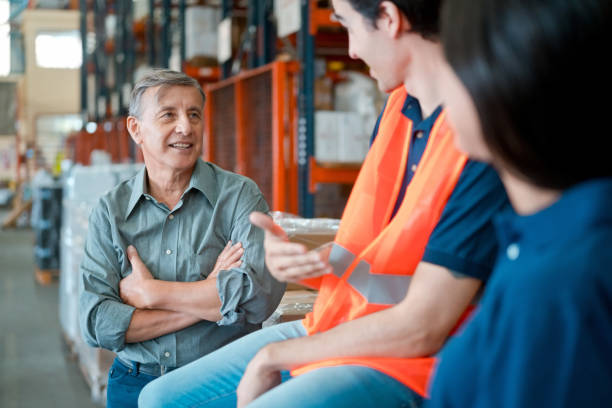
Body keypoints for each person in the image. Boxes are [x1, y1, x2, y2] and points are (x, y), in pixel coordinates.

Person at [138, 1, 510, 407]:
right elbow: (388, 254)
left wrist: (272, 356)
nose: (351, 50)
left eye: (348, 26)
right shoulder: (397, 113)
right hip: (341, 321)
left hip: (413, 358)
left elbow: (424, 325)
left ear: (388, 18)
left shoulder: (476, 138)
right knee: (158, 399)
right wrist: (312, 260)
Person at [426, 0, 612, 407]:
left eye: (451, 62)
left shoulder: (561, 287)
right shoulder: (546, 237)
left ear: (505, 77)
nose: (441, 87)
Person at [78, 69, 285, 408]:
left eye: (194, 115)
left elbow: (258, 297)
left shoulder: (238, 196)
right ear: (136, 129)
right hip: (134, 384)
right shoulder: (110, 212)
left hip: (221, 381)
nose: (185, 127)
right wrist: (209, 299)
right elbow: (96, 322)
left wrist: (151, 293)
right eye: (168, 115)